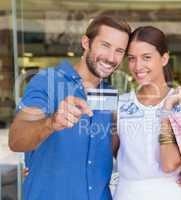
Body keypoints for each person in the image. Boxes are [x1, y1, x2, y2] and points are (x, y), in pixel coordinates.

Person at [9, 15, 131, 200]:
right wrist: (51, 123)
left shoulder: (110, 94)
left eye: (119, 51)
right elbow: (16, 139)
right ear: (86, 42)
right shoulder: (46, 81)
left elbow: (119, 150)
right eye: (105, 45)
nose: (111, 58)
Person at [112, 26, 181, 200]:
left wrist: (166, 111)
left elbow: (170, 164)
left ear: (164, 58)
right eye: (132, 59)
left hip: (172, 194)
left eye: (146, 57)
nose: (138, 66)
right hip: (127, 194)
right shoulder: (119, 105)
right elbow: (111, 156)